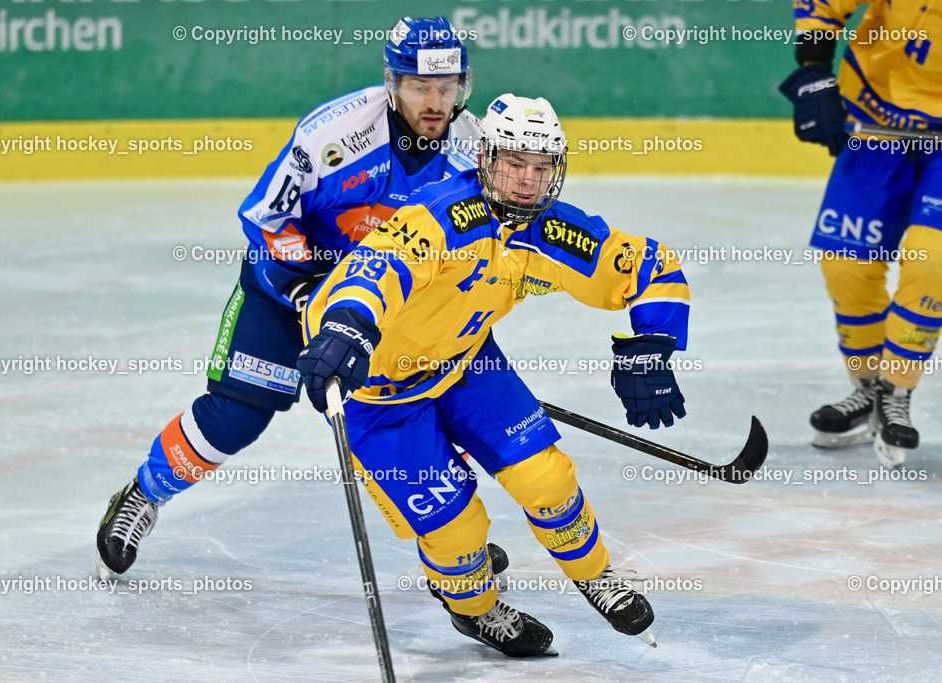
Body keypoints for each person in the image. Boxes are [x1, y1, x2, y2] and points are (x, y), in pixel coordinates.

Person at [95, 17, 498, 580]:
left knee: (422, 418)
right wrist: (306, 287)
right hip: (291, 294)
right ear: (392, 83)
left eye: (447, 87)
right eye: (419, 86)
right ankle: (144, 492)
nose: (435, 103)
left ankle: (452, 542)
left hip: (387, 309)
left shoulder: (474, 150)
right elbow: (268, 216)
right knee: (236, 415)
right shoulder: (335, 136)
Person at [297, 94, 691, 656]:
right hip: (378, 396)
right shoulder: (439, 216)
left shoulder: (549, 230)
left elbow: (650, 264)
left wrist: (651, 346)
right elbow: (377, 269)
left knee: (547, 478)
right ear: (485, 158)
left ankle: (595, 575)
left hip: (467, 367)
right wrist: (348, 327)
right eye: (514, 163)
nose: (528, 180)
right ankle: (475, 610)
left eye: (542, 166)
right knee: (454, 530)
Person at [779, 1, 941, 467]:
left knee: (933, 261)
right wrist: (814, 70)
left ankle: (896, 391)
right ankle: (868, 389)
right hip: (876, 115)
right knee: (846, 264)